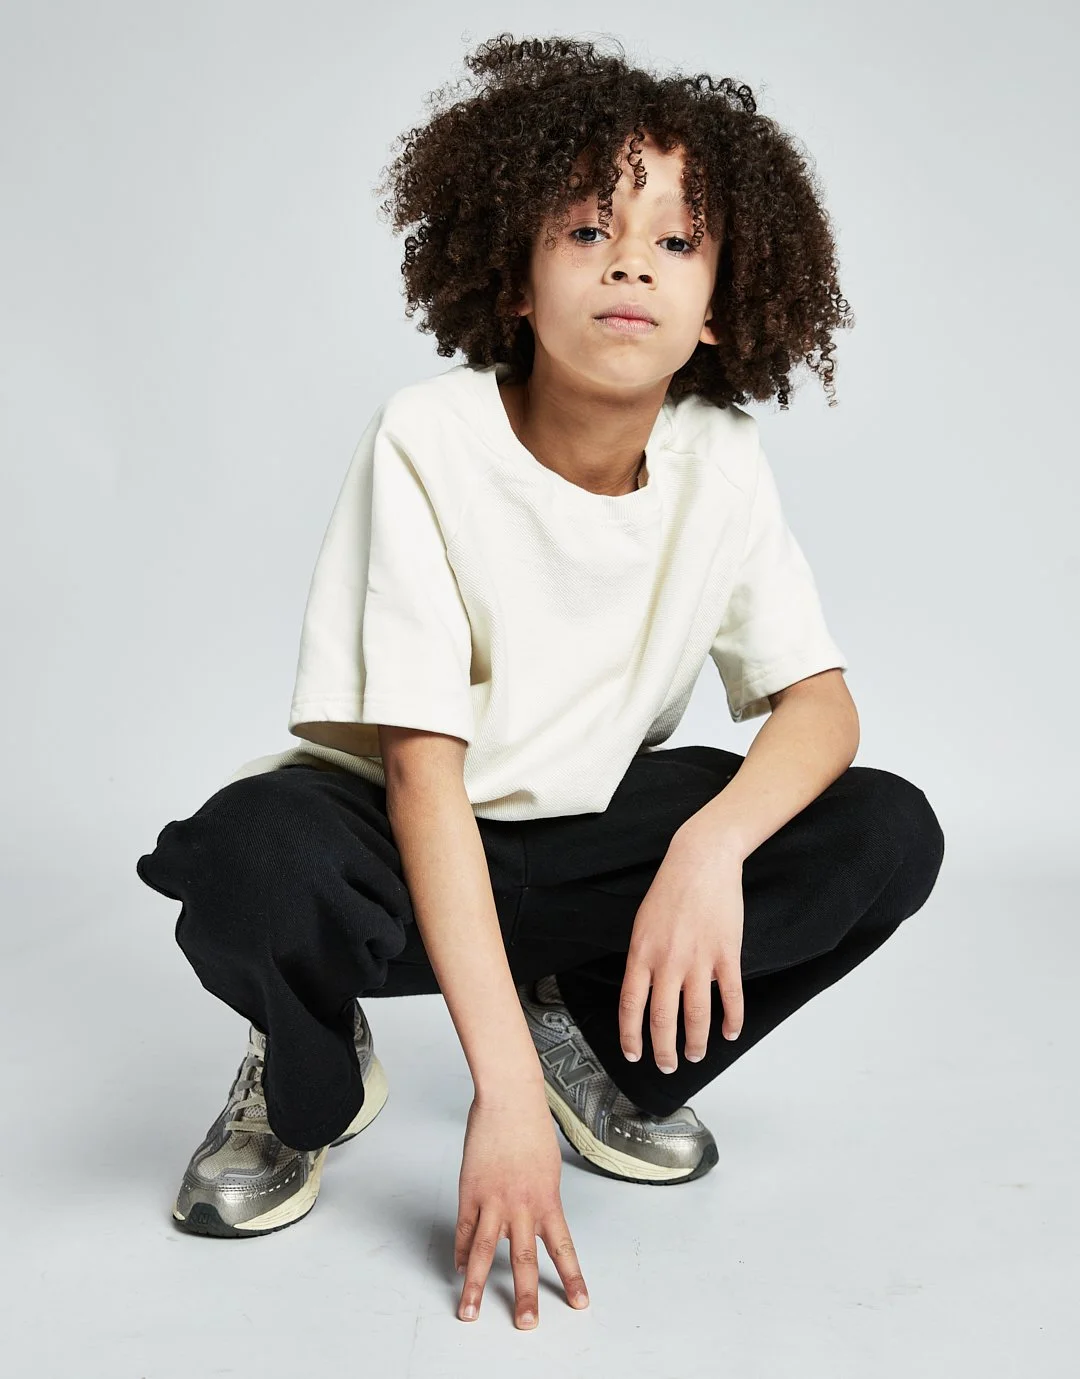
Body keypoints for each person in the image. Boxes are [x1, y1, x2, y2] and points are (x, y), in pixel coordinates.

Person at [135, 33, 944, 1332]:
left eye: (677, 242)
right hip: (400, 848)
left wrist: (710, 847)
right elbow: (420, 770)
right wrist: (490, 1098)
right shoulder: (429, 441)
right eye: (586, 229)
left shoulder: (719, 462)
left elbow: (822, 704)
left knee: (884, 827)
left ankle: (590, 1053)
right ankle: (307, 1078)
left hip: (582, 844)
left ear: (723, 302)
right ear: (514, 278)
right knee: (249, 859)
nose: (631, 261)